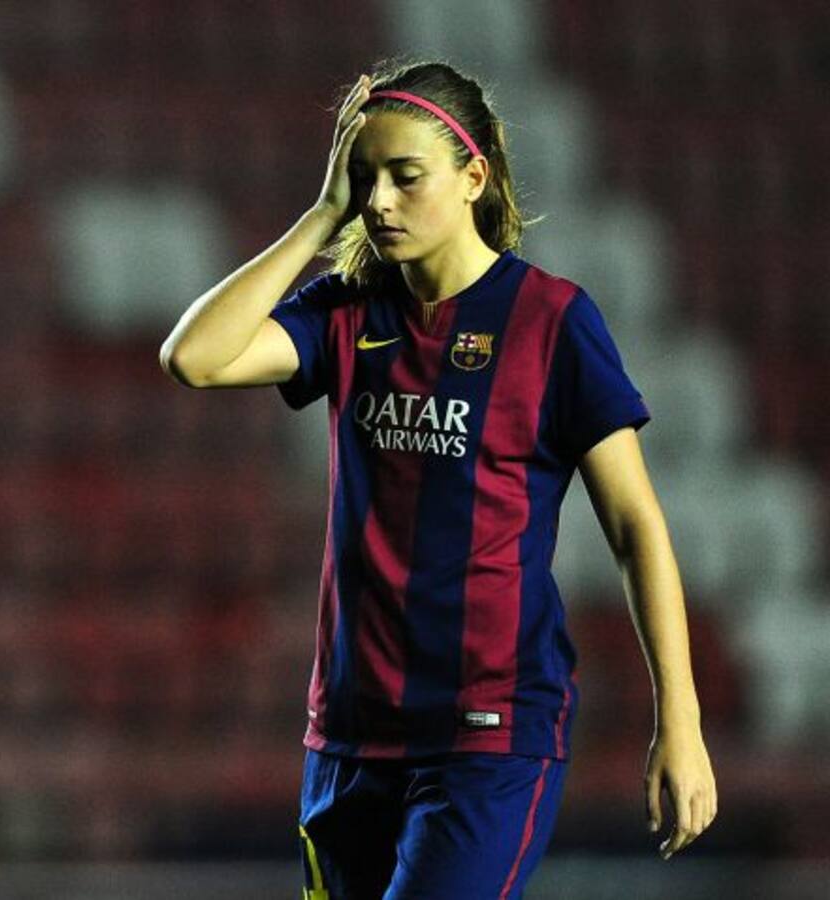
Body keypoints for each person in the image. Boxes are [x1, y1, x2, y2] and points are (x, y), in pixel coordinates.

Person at [159, 58, 716, 899]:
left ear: (473, 177)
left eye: (405, 175)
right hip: (348, 735)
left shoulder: (553, 321)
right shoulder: (347, 309)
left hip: (487, 735)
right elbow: (193, 358)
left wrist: (681, 719)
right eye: (364, 177)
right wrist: (320, 217)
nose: (379, 201)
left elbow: (636, 527)